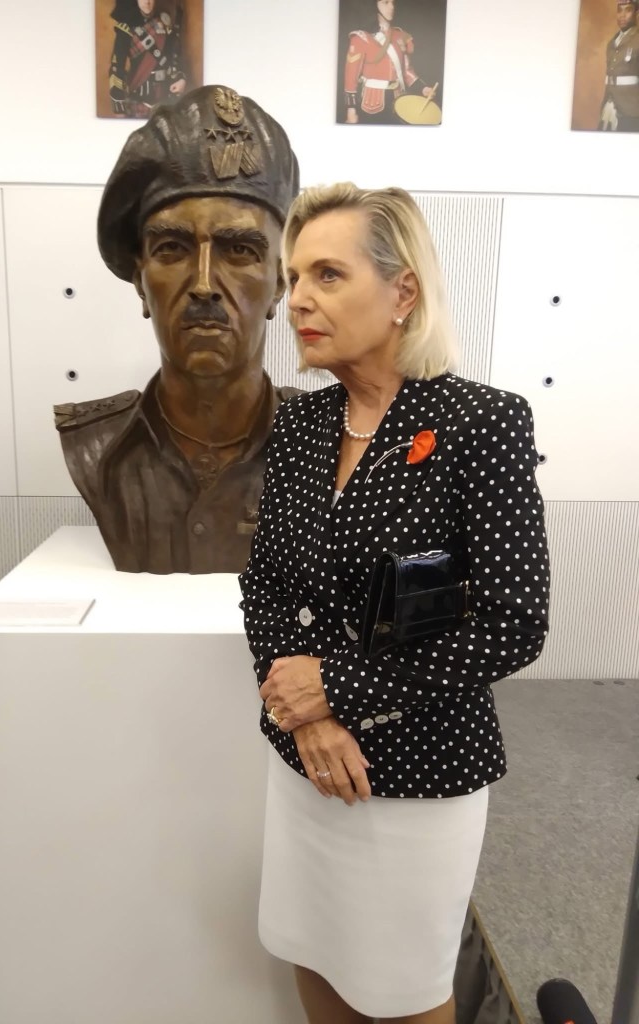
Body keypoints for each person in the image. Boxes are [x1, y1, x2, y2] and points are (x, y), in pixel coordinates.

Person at [239, 183, 550, 1024]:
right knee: (313, 955)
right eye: (293, 278)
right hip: (306, 762)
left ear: (402, 291)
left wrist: (335, 690)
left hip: (420, 771)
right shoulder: (301, 427)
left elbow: (514, 623)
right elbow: (265, 585)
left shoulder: (480, 424)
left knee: (405, 992)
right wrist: (304, 715)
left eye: (327, 275)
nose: (297, 300)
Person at [54, 85, 300, 573]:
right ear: (141, 283)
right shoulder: (94, 446)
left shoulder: (323, 444)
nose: (204, 284)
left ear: (279, 283)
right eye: (172, 249)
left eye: (240, 250)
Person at [343, 0, 435, 124]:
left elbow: (406, 71)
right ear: (374, 5)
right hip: (372, 102)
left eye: (393, 2)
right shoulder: (361, 38)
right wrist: (351, 111)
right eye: (385, 2)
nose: (391, 7)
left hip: (399, 99)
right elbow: (351, 77)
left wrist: (423, 88)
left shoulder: (400, 36)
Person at [108, 0, 187, 118]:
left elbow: (174, 55)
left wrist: (180, 78)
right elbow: (117, 67)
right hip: (137, 96)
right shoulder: (125, 28)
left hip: (164, 97)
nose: (147, 2)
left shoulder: (164, 22)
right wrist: (118, 104)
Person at [599, 1, 639, 131]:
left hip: (631, 109)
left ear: (636, 13)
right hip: (609, 103)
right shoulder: (612, 42)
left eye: (628, 10)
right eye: (620, 10)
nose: (622, 15)